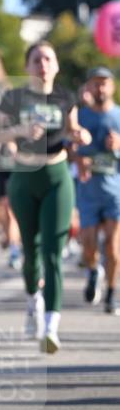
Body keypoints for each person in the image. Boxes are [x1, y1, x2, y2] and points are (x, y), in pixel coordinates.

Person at [0, 41, 91, 352]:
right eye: (36, 59)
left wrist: (80, 135)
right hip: (24, 178)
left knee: (53, 254)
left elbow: (74, 130)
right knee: (30, 252)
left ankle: (52, 326)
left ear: (55, 66)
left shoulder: (65, 97)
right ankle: (33, 302)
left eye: (48, 59)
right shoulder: (14, 98)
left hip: (57, 176)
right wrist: (18, 131)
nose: (43, 64)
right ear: (27, 66)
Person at [75, 66, 120, 315]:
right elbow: (68, 150)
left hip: (115, 190)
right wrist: (78, 159)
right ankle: (93, 271)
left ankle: (111, 293)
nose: (100, 88)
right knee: (89, 246)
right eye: (96, 83)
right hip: (88, 191)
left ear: (112, 87)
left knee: (114, 247)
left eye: (105, 83)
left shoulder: (119, 116)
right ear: (89, 87)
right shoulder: (81, 117)